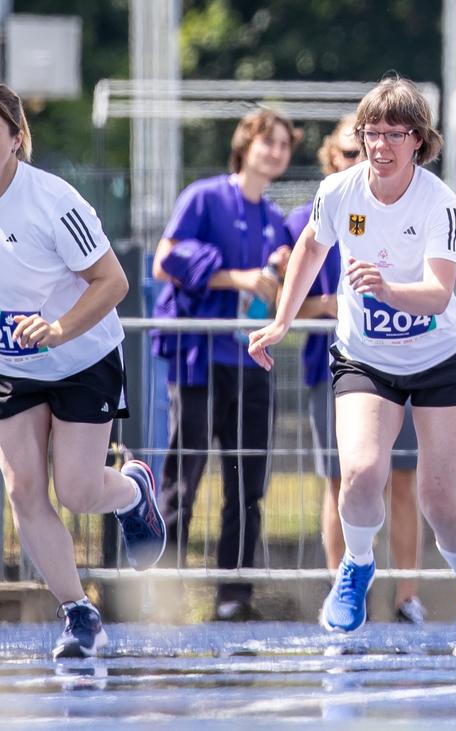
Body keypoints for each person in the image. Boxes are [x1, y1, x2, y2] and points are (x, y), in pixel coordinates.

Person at [0, 83, 165, 658]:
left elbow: (112, 281)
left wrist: (61, 328)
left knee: (77, 490)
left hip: (81, 359)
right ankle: (79, 613)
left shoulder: (54, 201)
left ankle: (132, 491)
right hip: (7, 364)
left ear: (17, 139)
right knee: (23, 490)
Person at [248, 76, 456, 655]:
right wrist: (283, 321)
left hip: (440, 359)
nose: (380, 145)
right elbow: (310, 249)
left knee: (439, 499)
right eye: (372, 132)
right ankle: (357, 566)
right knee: (361, 472)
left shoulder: (438, 201)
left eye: (395, 133)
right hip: (366, 357)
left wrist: (387, 289)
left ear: (419, 140)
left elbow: (439, 295)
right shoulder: (338, 191)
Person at [150, 108, 298, 622]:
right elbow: (164, 261)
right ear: (245, 144)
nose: (276, 151)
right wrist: (238, 277)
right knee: (182, 481)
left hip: (252, 363)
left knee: (247, 486)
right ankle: (162, 597)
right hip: (200, 360)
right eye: (268, 141)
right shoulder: (204, 196)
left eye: (284, 145)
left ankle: (235, 596)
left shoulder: (275, 219)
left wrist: (278, 278)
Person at [287, 115, 427, 625]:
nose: (368, 155)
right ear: (332, 156)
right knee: (342, 480)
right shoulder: (309, 214)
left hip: (400, 359)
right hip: (335, 365)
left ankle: (407, 596)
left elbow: (432, 285)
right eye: (353, 150)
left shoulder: (414, 202)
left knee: (404, 480)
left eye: (383, 143)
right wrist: (328, 306)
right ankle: (343, 589)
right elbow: (284, 297)